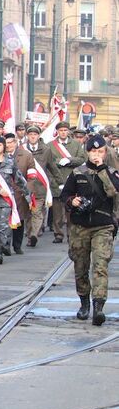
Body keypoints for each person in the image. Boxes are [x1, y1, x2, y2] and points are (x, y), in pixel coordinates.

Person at [62, 134, 119, 325]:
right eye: (93, 151)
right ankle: (84, 302)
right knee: (80, 267)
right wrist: (72, 201)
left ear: (105, 153)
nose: (96, 155)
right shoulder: (77, 172)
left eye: (100, 151)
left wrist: (102, 169)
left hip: (103, 226)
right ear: (87, 152)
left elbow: (113, 192)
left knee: (100, 266)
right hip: (80, 227)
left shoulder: (111, 172)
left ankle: (98, 306)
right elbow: (65, 195)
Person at [0, 136, 30, 264]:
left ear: (4, 147)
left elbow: (19, 179)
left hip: (6, 201)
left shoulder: (10, 162)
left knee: (2, 227)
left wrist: (28, 194)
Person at [45, 121, 86, 243]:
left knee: (71, 210)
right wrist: (59, 161)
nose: (63, 132)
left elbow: (82, 159)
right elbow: (48, 161)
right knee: (57, 211)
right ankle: (58, 234)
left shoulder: (76, 145)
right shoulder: (50, 145)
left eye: (65, 130)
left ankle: (70, 234)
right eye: (61, 130)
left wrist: (69, 160)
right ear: (57, 131)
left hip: (72, 181)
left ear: (68, 131)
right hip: (57, 180)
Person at [6, 133, 33, 255]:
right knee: (4, 220)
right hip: (4, 193)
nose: (8, 145)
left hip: (20, 193)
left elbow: (32, 176)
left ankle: (17, 245)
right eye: (6, 143)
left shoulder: (26, 155)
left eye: (11, 142)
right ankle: (5, 245)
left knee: (19, 219)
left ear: (16, 142)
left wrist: (28, 191)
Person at [23, 125, 49, 247]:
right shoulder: (22, 150)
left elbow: (52, 167)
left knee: (37, 212)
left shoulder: (46, 150)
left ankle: (34, 234)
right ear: (27, 136)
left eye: (35, 134)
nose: (33, 136)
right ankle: (30, 236)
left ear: (38, 136)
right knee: (28, 214)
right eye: (30, 134)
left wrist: (60, 182)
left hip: (40, 187)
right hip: (26, 187)